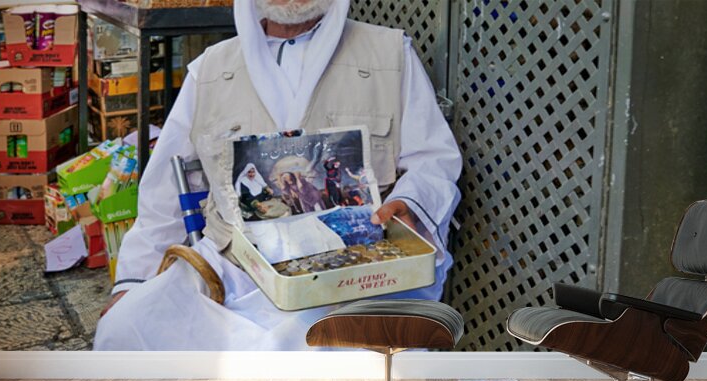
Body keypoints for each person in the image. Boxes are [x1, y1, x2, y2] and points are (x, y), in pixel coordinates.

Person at [94, 0, 462, 351]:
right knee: (125, 328)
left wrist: (409, 203)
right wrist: (132, 281)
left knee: (338, 359)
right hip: (231, 272)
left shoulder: (390, 53)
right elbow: (162, 196)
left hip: (352, 273)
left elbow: (434, 159)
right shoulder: (210, 70)